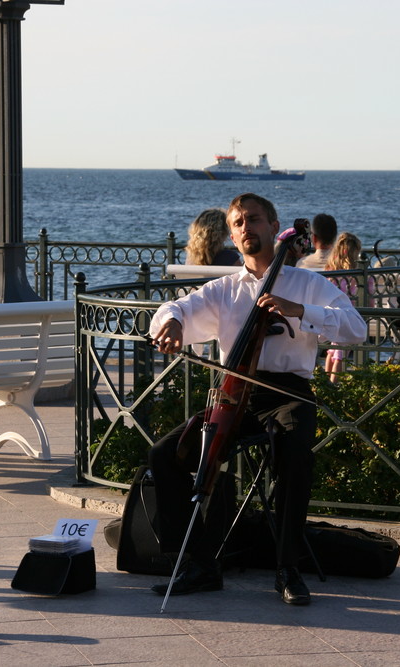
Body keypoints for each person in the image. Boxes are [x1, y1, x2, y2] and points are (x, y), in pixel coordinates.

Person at [148, 193, 366, 606]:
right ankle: (198, 562)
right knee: (167, 454)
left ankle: (288, 567)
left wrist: (299, 310)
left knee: (294, 451)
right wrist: (173, 323)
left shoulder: (308, 284)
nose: (246, 227)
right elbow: (175, 307)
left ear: (272, 226)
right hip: (234, 395)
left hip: (288, 392)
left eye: (254, 219)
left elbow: (355, 329)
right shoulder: (224, 289)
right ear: (232, 234)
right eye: (238, 223)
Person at [323, 232, 369, 383]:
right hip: (347, 317)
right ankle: (334, 386)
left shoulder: (332, 271)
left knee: (333, 351)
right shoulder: (354, 276)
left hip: (332, 315)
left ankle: (324, 382)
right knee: (341, 355)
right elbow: (368, 299)